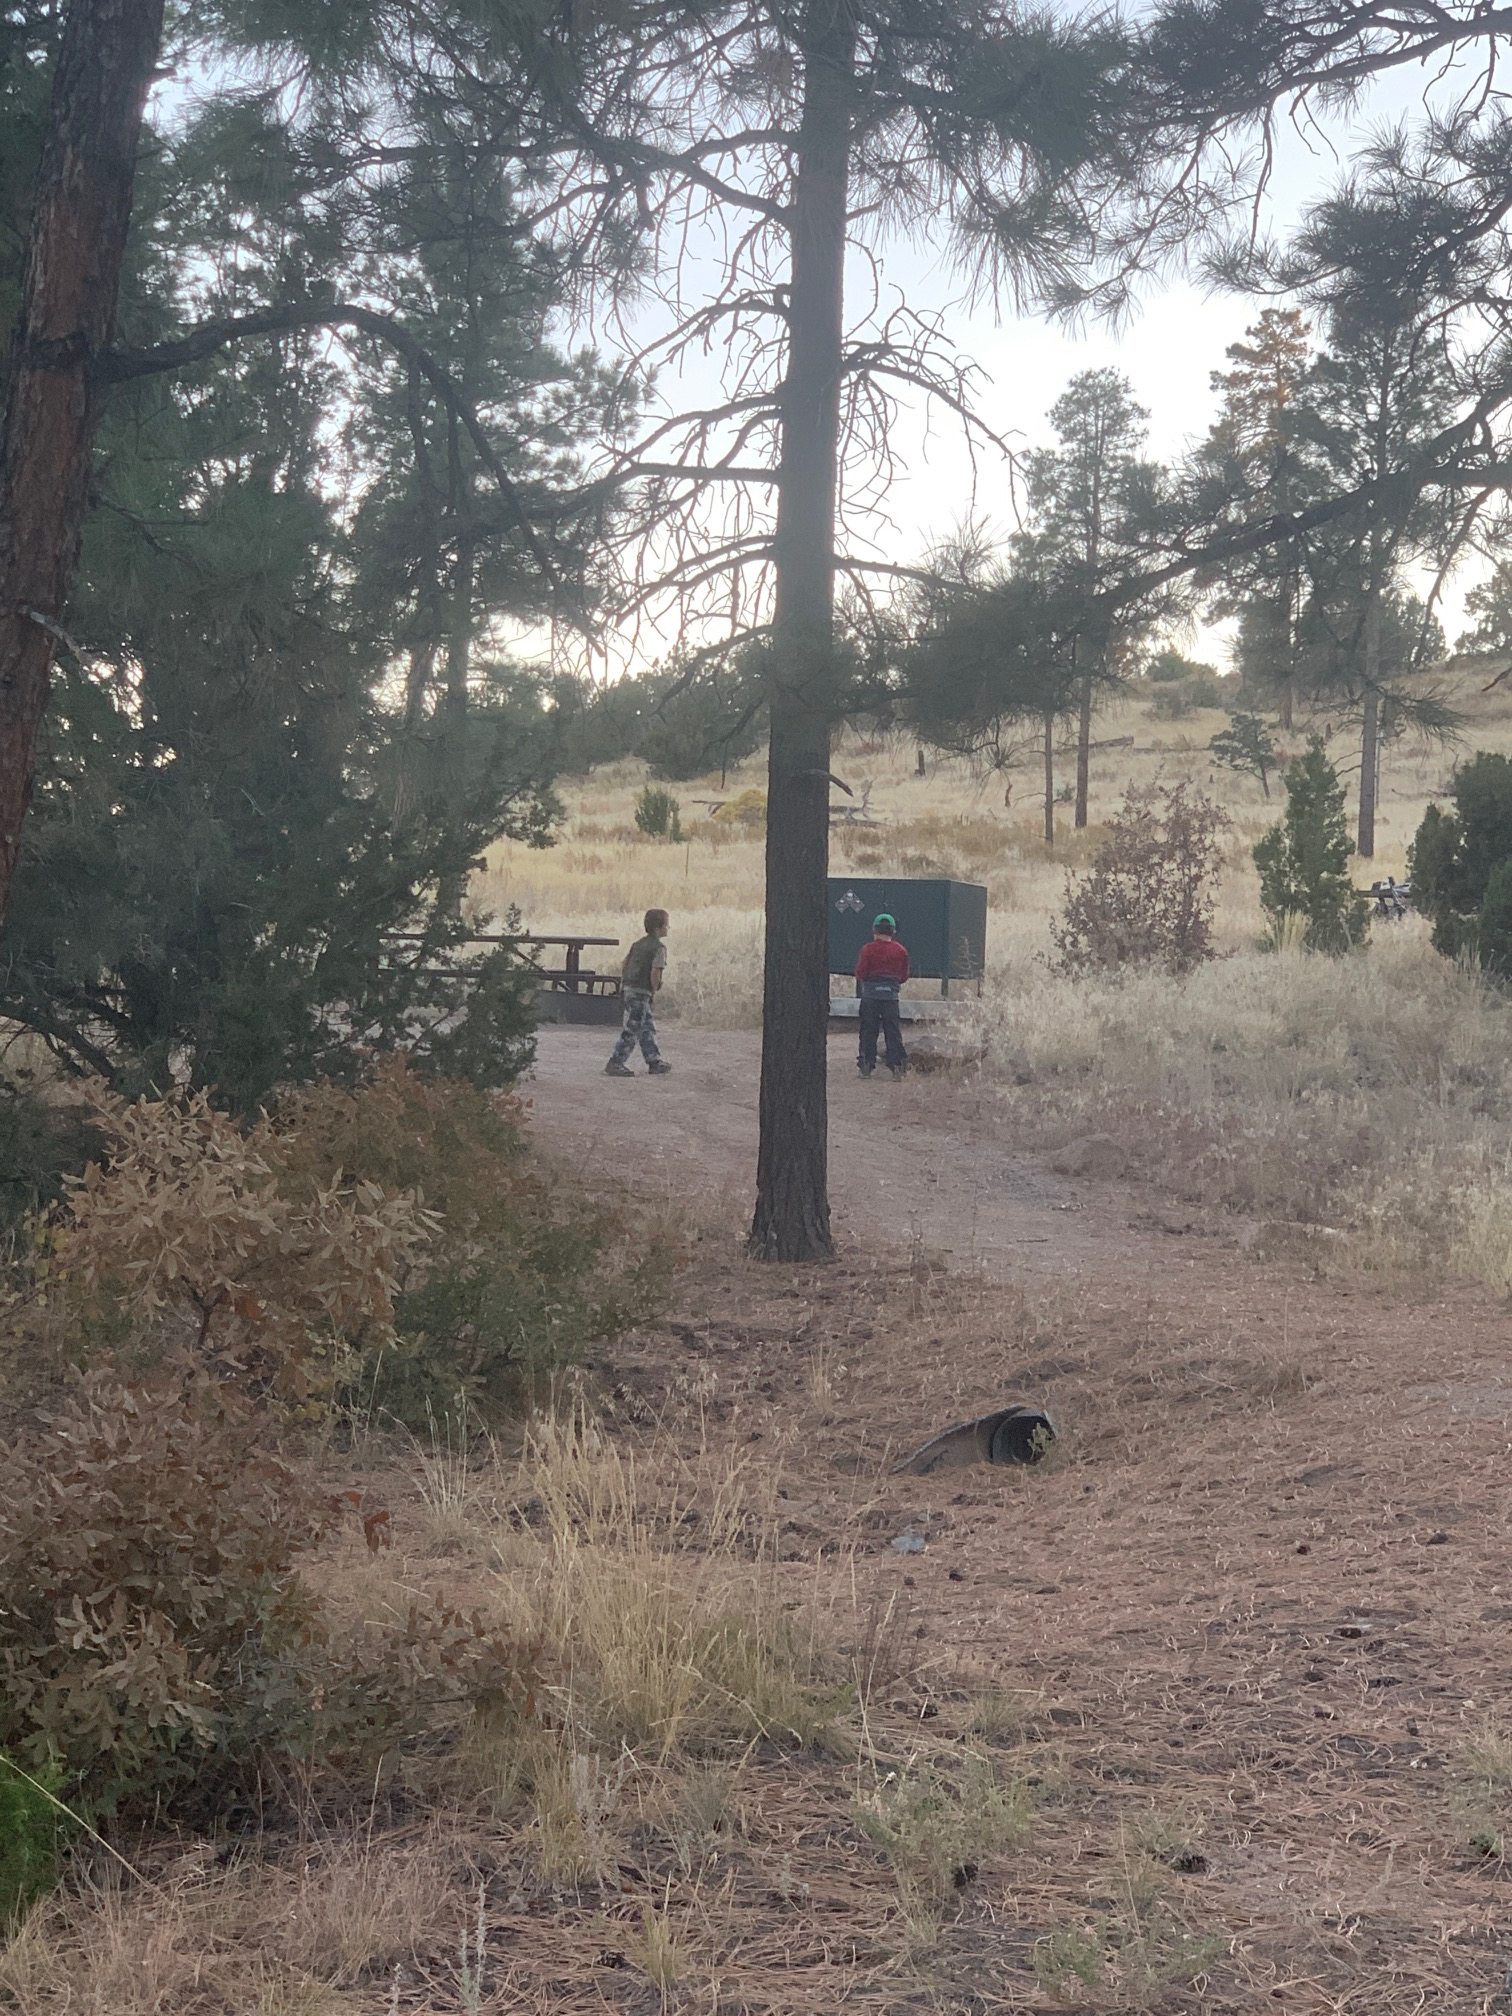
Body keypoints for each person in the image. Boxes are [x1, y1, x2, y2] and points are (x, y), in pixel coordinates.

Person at [606, 908, 673, 1077]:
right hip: (641, 991)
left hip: (629, 988)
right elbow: (655, 972)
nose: (668, 928)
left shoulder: (637, 945)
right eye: (666, 925)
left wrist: (625, 984)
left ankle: (654, 1060)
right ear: (659, 928)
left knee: (646, 1026)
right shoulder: (659, 948)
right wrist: (654, 989)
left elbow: (625, 964)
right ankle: (616, 1061)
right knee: (633, 1028)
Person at [855, 911, 908, 1078]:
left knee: (868, 1030)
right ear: (893, 931)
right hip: (891, 997)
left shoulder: (867, 950)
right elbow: (903, 976)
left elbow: (861, 972)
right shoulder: (900, 951)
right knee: (892, 1031)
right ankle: (897, 1067)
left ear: (874, 930)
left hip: (870, 996)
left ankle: (866, 1065)